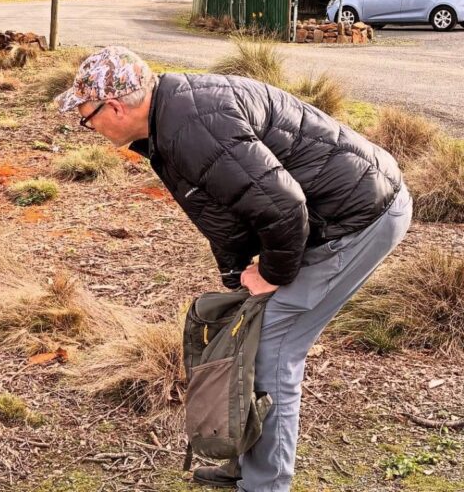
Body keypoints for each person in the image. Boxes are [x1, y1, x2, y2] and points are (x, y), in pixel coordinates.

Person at [55, 46, 411, 492]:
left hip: (359, 218)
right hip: (334, 212)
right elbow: (225, 215)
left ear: (115, 106)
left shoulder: (194, 126)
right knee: (252, 339)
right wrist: (238, 279)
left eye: (85, 116)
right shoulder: (167, 121)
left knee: (272, 352)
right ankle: (247, 458)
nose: (85, 126)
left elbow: (284, 210)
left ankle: (264, 484)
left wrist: (273, 276)